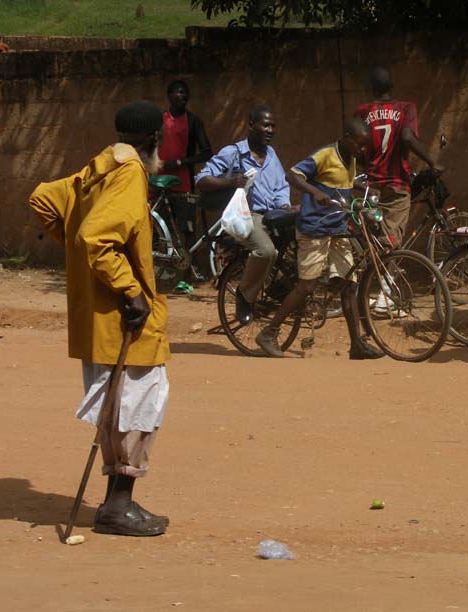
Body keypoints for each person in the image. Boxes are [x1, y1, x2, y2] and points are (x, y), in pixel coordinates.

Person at [29, 100, 171, 536]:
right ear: (152, 139)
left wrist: (77, 257)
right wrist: (129, 290)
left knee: (117, 407)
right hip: (125, 317)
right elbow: (97, 237)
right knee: (140, 402)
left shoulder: (97, 168)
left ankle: (116, 503)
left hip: (98, 318)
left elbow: (43, 200)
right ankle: (117, 507)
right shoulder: (129, 174)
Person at [254, 119, 384, 360]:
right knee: (307, 286)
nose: (362, 150)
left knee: (348, 285)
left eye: (364, 146)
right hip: (314, 228)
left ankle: (357, 344)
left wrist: (362, 187)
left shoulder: (351, 158)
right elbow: (293, 175)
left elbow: (341, 180)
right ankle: (269, 333)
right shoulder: (324, 154)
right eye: (359, 145)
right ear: (346, 137)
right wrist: (315, 192)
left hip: (337, 227)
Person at [195, 105, 291, 325]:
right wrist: (230, 181)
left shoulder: (272, 155)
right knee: (266, 251)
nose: (270, 130)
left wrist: (284, 206)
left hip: (271, 215)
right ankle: (244, 296)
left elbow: (280, 187)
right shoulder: (234, 152)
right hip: (246, 216)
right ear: (251, 125)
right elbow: (201, 179)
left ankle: (279, 292)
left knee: (301, 238)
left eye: (273, 126)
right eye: (265, 125)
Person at [353, 66, 441, 249]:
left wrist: (367, 164)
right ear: (392, 85)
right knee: (390, 242)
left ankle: (376, 273)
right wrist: (432, 162)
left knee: (377, 238)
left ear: (372, 88)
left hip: (372, 185)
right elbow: (407, 137)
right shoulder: (405, 108)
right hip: (396, 183)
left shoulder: (362, 112)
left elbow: (355, 147)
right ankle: (384, 276)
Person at [157, 80, 214, 288]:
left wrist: (181, 162)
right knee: (159, 228)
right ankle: (162, 272)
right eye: (178, 92)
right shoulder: (159, 120)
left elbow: (207, 152)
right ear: (169, 95)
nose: (182, 96)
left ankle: (187, 274)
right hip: (157, 183)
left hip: (183, 183)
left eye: (185, 93)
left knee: (186, 229)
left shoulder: (193, 121)